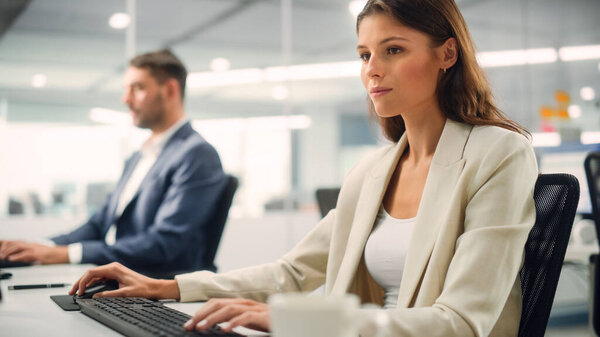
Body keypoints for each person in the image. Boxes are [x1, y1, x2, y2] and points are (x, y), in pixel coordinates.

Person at [68, 0, 538, 336]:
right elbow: (291, 273)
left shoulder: (499, 154)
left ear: (447, 55)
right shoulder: (373, 171)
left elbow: (462, 322)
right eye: (364, 54)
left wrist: (305, 323)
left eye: (393, 50)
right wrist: (165, 287)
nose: (372, 69)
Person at [0, 49, 227, 276]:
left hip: (159, 289)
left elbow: (163, 243)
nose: (125, 99)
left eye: (137, 88)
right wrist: (41, 247)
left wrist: (67, 254)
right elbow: (99, 224)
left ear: (170, 90)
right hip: (124, 282)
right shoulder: (139, 156)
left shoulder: (197, 155)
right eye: (125, 89)